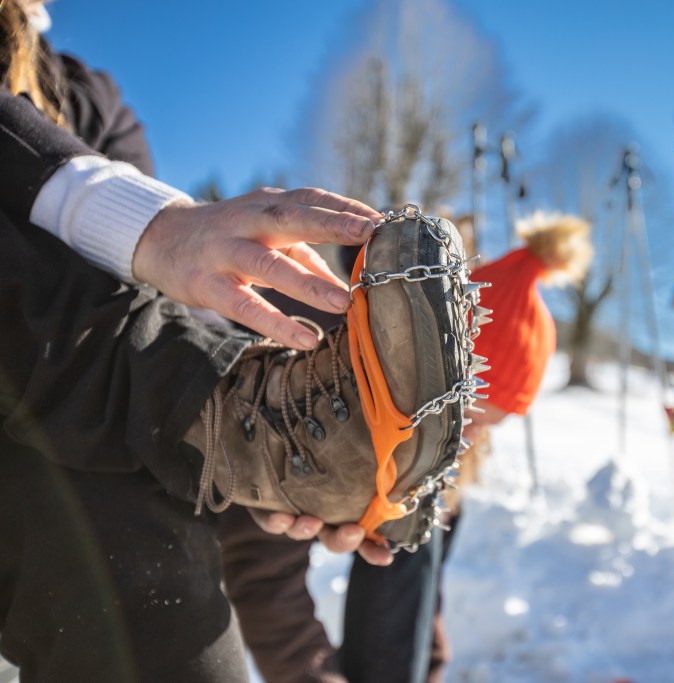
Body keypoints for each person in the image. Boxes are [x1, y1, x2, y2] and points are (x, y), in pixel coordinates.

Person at [1, 2, 392, 680]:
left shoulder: (92, 99)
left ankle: (238, 422)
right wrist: (146, 223)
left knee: (161, 598)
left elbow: (140, 304)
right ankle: (222, 412)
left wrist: (261, 471)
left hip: (54, 436)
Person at [218, 211, 594, 683]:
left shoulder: (442, 455)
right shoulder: (319, 379)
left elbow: (421, 586)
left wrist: (430, 668)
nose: (470, 436)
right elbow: (263, 571)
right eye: (471, 417)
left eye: (488, 427)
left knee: (413, 516)